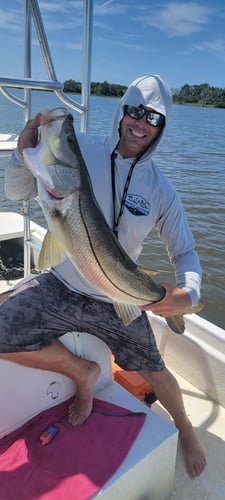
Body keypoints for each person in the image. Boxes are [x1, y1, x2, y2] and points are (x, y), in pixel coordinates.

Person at [1, 75, 206, 478]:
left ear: (161, 128)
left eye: (153, 117)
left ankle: (185, 428)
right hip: (60, 284)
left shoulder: (161, 190)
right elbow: (16, 193)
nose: (140, 122)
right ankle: (81, 371)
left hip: (119, 296)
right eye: (134, 110)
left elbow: (186, 253)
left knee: (154, 368)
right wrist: (20, 157)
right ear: (121, 111)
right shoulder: (85, 150)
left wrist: (185, 295)